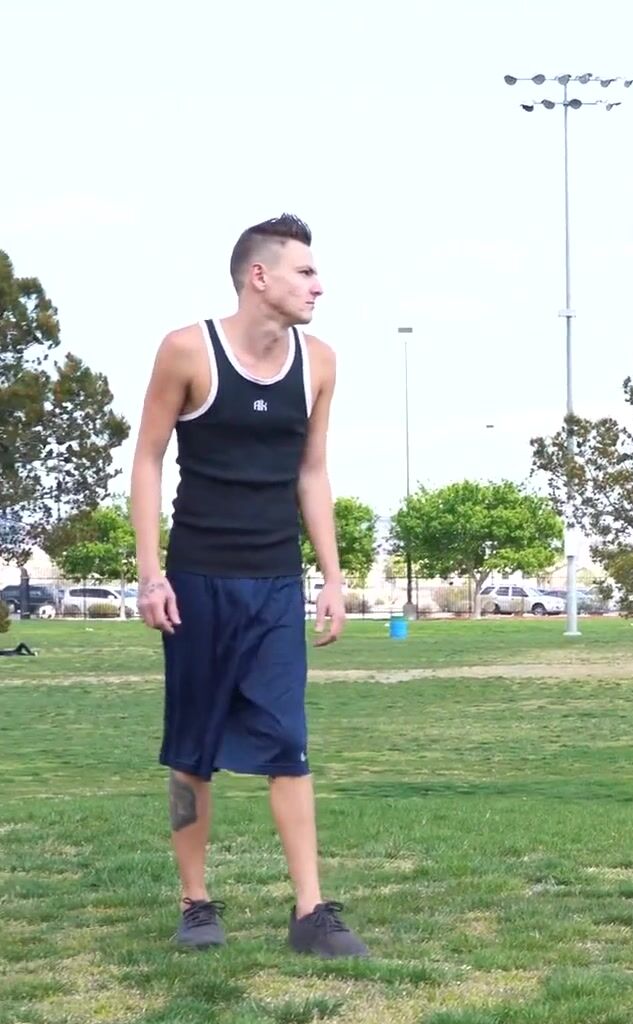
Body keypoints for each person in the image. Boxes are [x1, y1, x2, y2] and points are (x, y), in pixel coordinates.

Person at [128, 214, 368, 957]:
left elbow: (312, 472)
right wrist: (150, 574)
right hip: (198, 582)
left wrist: (332, 577)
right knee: (191, 750)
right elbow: (147, 460)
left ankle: (311, 912)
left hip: (275, 585)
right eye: (305, 272)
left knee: (288, 743)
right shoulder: (186, 350)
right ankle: (195, 902)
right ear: (259, 277)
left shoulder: (319, 363)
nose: (319, 286)